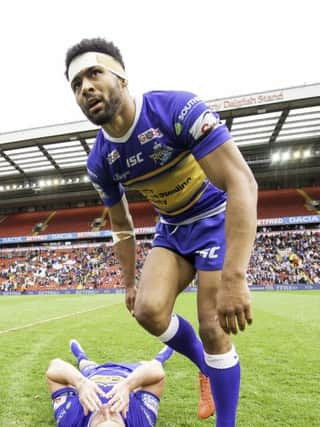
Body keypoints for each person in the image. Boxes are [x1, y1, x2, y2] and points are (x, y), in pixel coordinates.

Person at [65, 38, 257, 426]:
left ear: (121, 77)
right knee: (148, 311)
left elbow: (242, 182)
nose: (85, 87)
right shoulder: (100, 160)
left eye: (94, 73)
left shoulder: (176, 109)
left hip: (215, 218)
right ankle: (206, 366)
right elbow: (121, 224)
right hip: (171, 229)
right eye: (75, 84)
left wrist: (235, 276)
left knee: (211, 325)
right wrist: (128, 282)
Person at [46, 339, 173, 426]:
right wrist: (128, 385)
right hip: (130, 372)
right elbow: (157, 372)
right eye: (114, 420)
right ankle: (166, 350)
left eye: (100, 421)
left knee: (84, 364)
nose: (106, 410)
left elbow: (55, 366)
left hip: (93, 372)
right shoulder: (141, 422)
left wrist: (81, 383)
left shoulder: (71, 421)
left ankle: (80, 355)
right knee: (154, 363)